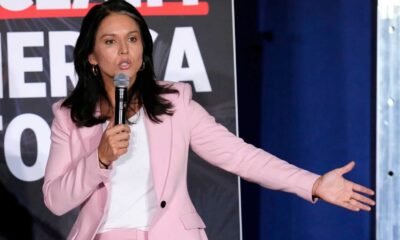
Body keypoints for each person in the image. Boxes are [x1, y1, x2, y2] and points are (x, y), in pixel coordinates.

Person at [42, 1, 375, 240]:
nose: (124, 51)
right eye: (110, 42)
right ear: (91, 56)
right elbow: (56, 201)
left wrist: (313, 184)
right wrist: (98, 158)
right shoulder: (70, 118)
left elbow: (240, 156)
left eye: (132, 39)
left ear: (144, 49)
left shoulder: (175, 104)